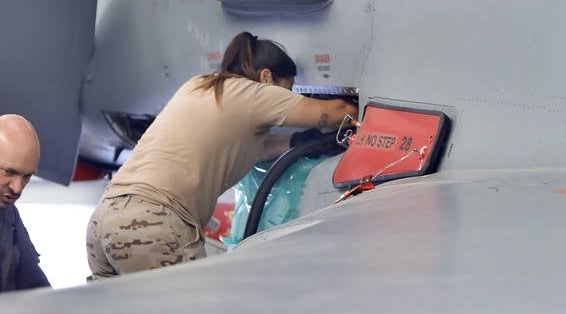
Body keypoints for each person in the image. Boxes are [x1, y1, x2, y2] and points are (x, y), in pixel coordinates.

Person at [87, 31, 358, 278]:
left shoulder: (200, 86)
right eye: (287, 91)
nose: (285, 99)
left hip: (105, 219)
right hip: (150, 224)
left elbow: (249, 148)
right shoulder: (255, 94)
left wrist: (298, 140)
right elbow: (338, 113)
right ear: (266, 78)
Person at [0, 114, 50, 291]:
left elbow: (32, 280)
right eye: (9, 172)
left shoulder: (7, 212)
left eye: (27, 176)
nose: (18, 188)